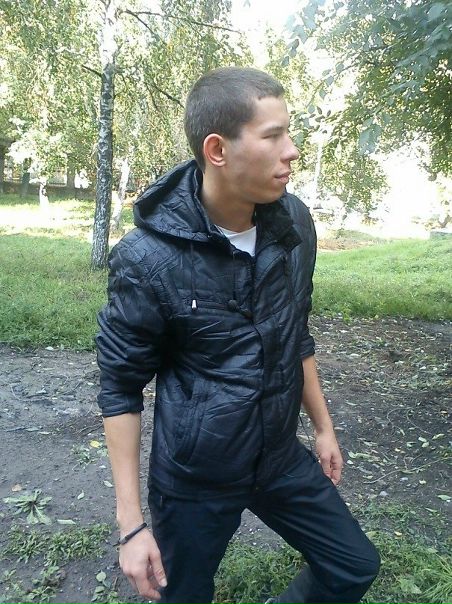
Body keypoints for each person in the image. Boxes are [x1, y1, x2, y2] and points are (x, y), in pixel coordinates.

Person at [96, 66, 380, 604]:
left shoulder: (293, 224)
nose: (292, 151)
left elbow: (295, 330)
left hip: (278, 457)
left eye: (288, 133)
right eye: (273, 136)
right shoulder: (147, 259)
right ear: (217, 150)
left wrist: (323, 427)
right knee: (182, 596)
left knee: (353, 565)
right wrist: (131, 525)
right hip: (196, 477)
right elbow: (120, 389)